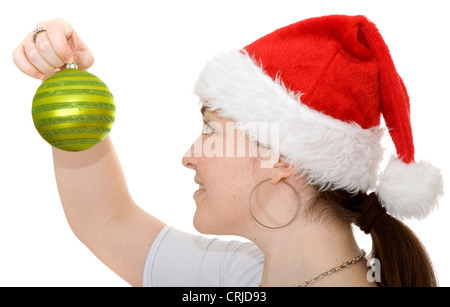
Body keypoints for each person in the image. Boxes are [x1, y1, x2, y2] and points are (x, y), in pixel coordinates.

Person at [13, 15, 444, 287]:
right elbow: (105, 221)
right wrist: (66, 89)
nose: (189, 155)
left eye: (209, 128)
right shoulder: (238, 276)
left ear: (279, 158)